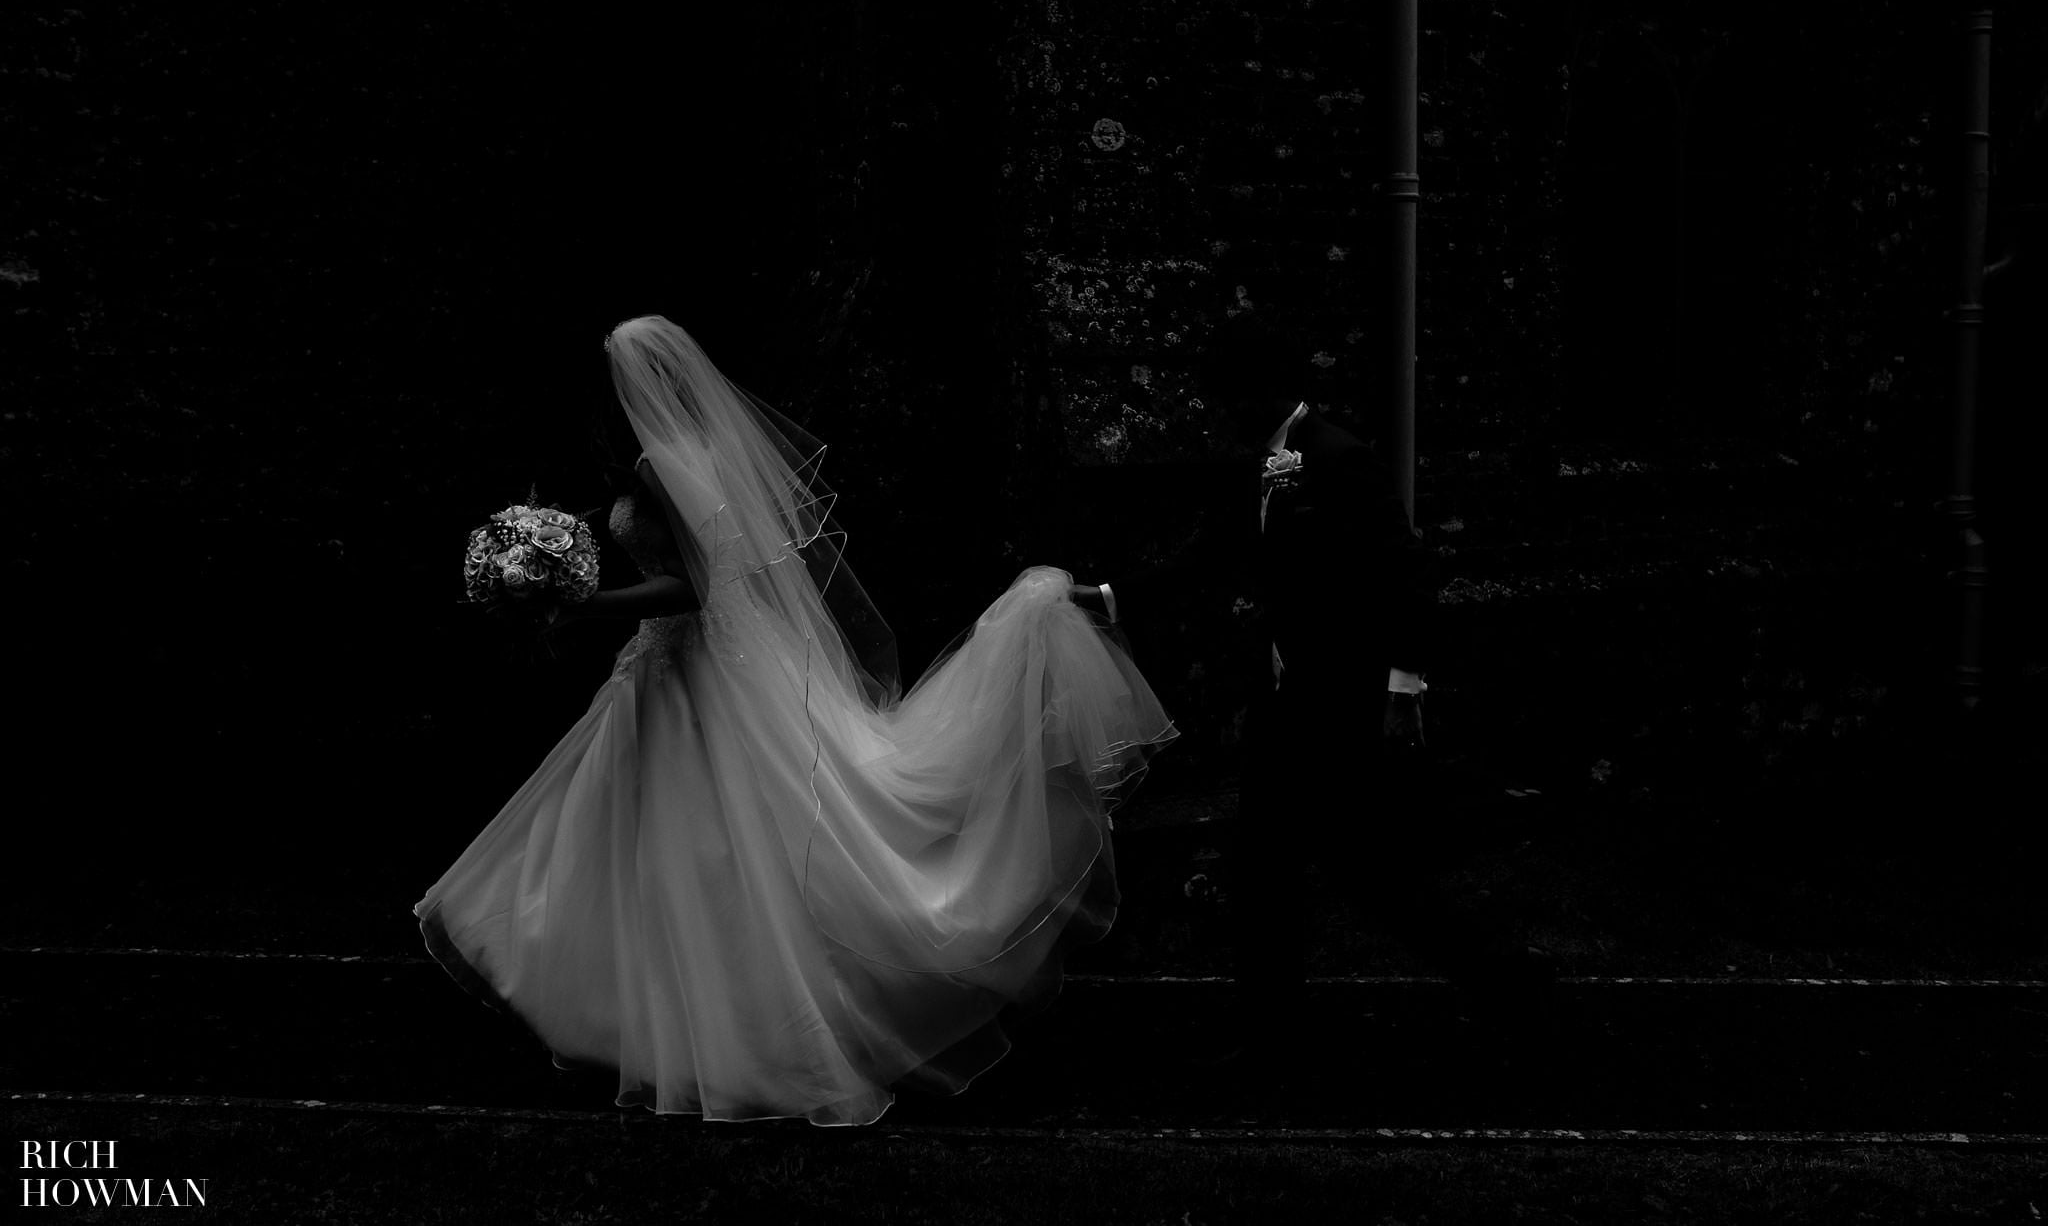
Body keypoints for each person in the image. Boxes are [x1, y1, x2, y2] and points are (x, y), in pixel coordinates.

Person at [417, 316, 1176, 1126]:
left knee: (701, 846)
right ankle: (664, 1016)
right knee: (663, 843)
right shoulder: (706, 455)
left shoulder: (659, 463)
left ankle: (715, 1026)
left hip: (692, 669)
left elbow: (697, 588)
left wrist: (581, 603)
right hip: (700, 669)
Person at [1071, 317, 1546, 1045]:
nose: (1219, 411)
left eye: (1227, 396)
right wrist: (1108, 596)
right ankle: (1272, 1024)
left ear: (1263, 391)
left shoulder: (1338, 459)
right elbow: (1211, 555)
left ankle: (1508, 986)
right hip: (1286, 706)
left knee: (1370, 874)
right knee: (1266, 863)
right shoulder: (1263, 465)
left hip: (1340, 703)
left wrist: (1404, 686)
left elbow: (1408, 574)